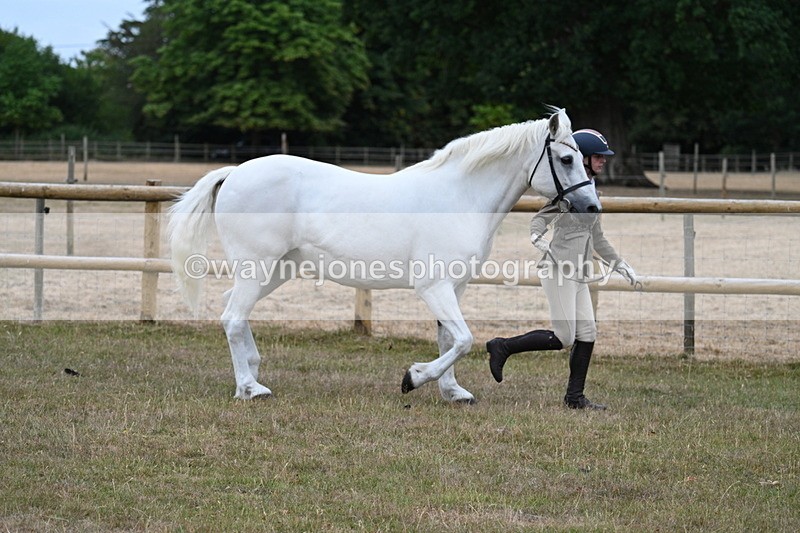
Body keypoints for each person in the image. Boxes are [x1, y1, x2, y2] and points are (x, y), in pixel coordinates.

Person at [486, 129, 638, 410]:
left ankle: (575, 398)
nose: (604, 162)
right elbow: (539, 221)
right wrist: (537, 238)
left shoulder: (591, 192)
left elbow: (599, 238)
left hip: (579, 272)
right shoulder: (567, 193)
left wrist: (620, 264)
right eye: (598, 157)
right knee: (565, 336)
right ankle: (502, 346)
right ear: (583, 159)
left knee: (588, 333)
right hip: (558, 270)